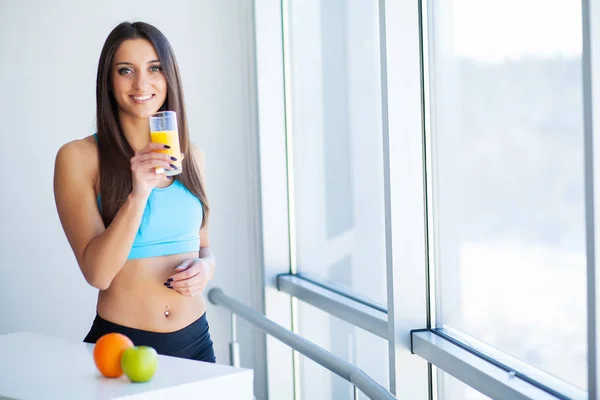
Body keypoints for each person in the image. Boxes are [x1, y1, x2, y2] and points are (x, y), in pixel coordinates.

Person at [53, 21, 216, 363]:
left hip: (196, 344)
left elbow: (204, 247)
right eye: (126, 70)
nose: (141, 83)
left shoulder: (192, 155)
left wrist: (206, 268)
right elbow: (98, 274)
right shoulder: (79, 158)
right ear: (109, 83)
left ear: (168, 76)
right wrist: (138, 193)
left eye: (154, 68)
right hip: (122, 348)